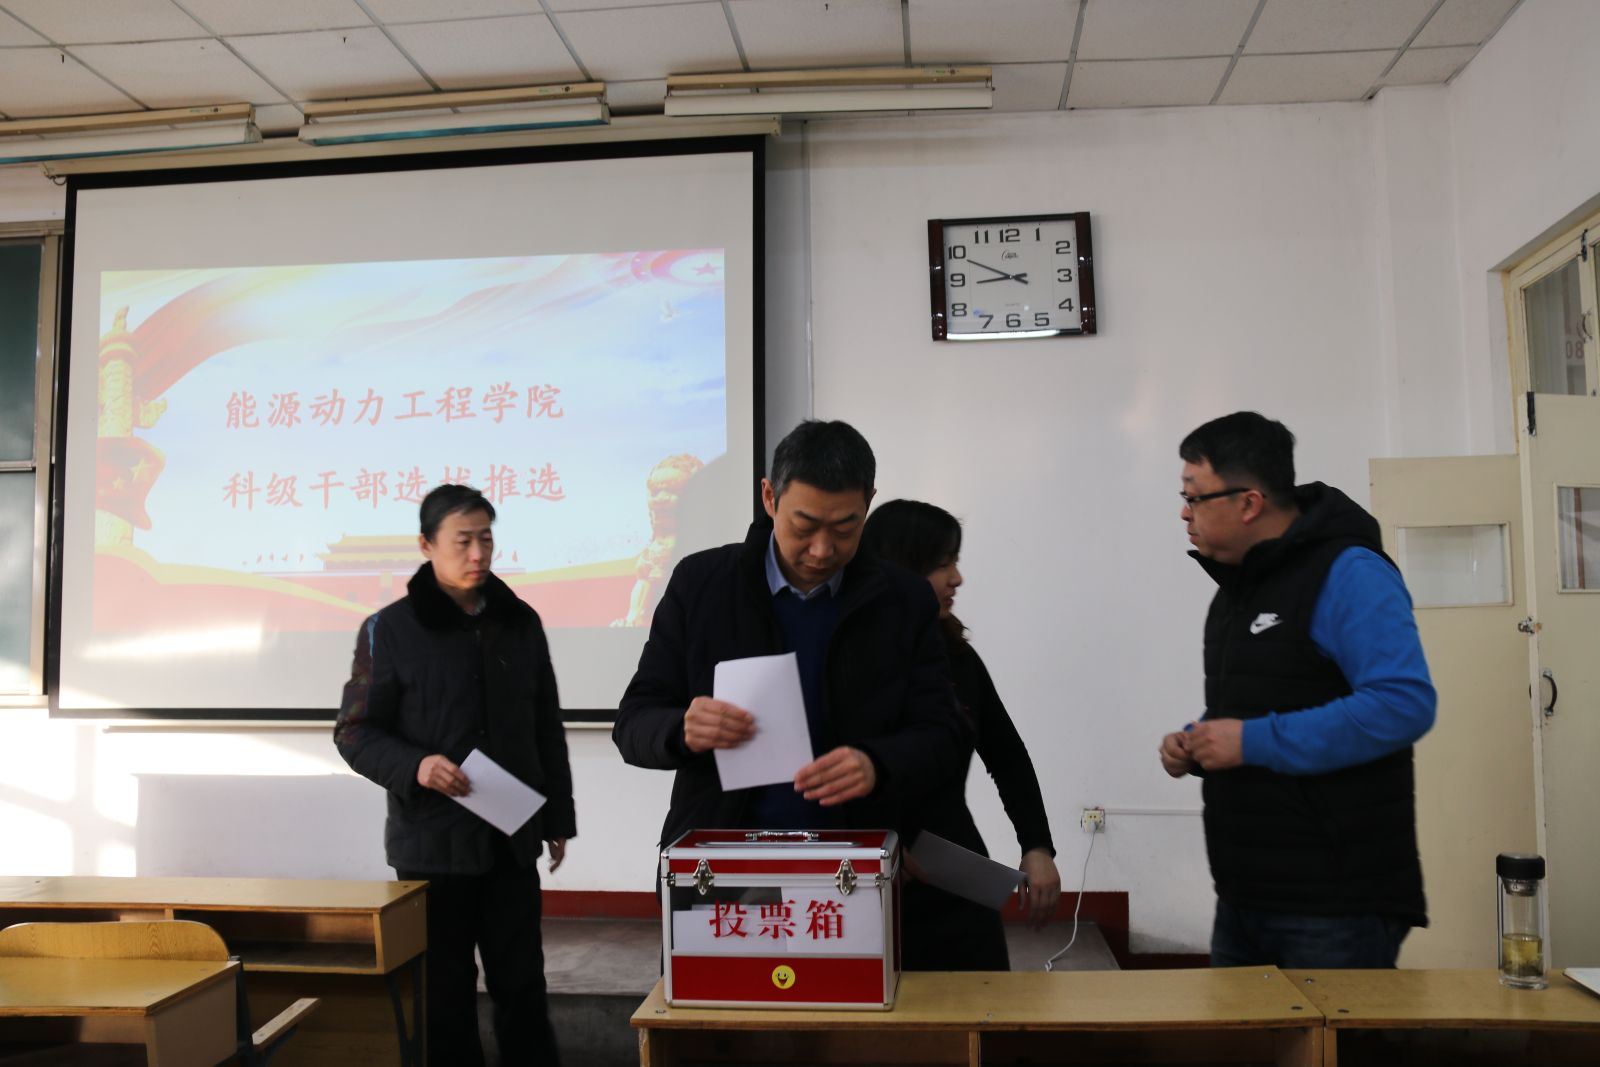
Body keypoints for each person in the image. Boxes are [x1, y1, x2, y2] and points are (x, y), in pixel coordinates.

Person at [613, 419, 971, 855]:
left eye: (845, 529)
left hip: (856, 859)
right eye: (804, 527)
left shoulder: (902, 600)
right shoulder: (702, 584)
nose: (822, 549)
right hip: (720, 857)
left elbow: (944, 736)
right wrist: (681, 728)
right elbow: (633, 724)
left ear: (869, 502)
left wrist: (878, 763)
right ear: (770, 498)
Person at [1159, 412, 1435, 969]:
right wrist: (1199, 741)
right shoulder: (1238, 589)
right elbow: (1269, 700)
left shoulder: (1349, 572)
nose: (1184, 512)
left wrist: (1250, 741)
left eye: (1194, 496)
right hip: (1244, 896)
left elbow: (1402, 705)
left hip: (1336, 904)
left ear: (1249, 503)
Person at [335, 484, 575, 1065]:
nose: (478, 554)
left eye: (486, 539)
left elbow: (545, 725)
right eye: (463, 541)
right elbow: (355, 733)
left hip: (509, 840)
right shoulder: (390, 630)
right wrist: (415, 765)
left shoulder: (519, 621)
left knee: (523, 986)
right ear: (426, 545)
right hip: (432, 846)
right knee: (444, 997)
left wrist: (557, 818)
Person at [862, 499, 1060, 971]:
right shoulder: (855, 661)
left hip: (957, 876)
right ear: (900, 570)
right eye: (941, 564)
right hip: (871, 881)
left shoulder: (957, 657)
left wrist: (1036, 846)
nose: (957, 578)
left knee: (982, 1001)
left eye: (955, 561)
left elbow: (1007, 756)